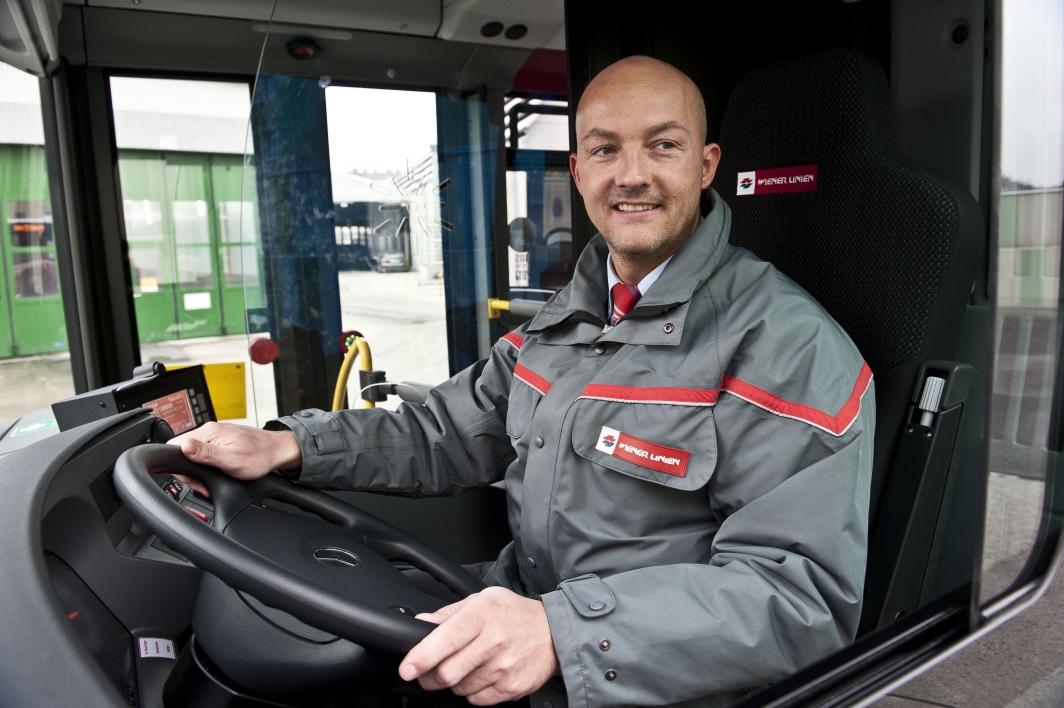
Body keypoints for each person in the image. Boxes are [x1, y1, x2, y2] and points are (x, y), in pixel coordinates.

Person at [170, 56, 874, 708]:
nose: (630, 174)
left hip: (640, 679)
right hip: (515, 615)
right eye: (604, 149)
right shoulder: (566, 317)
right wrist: (286, 447)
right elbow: (441, 431)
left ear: (705, 164)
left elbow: (798, 597)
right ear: (577, 168)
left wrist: (561, 632)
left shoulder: (786, 347)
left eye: (663, 145)